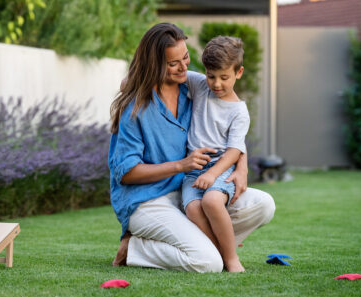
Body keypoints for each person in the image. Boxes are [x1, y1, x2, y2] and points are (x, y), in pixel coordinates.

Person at [108, 23, 275, 273]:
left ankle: (214, 247)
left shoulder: (191, 87)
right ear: (154, 65)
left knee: (263, 204)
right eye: (173, 63)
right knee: (207, 263)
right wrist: (181, 165)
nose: (184, 66)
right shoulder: (135, 108)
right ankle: (135, 248)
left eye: (185, 57)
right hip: (147, 200)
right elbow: (127, 173)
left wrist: (242, 167)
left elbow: (229, 129)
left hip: (187, 189)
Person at [182, 36, 249, 273]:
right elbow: (167, 72)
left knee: (211, 200)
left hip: (222, 166)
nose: (216, 84)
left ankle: (231, 259)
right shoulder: (200, 85)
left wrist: (212, 174)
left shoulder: (239, 111)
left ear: (238, 72)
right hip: (192, 169)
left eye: (224, 77)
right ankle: (218, 254)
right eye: (211, 76)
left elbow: (234, 151)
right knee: (192, 208)